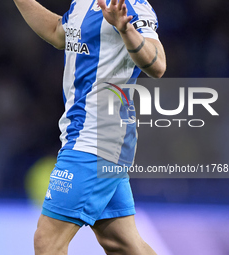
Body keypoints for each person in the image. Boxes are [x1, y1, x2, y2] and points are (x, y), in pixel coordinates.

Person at [13, 0, 166, 254]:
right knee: (122, 244)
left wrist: (124, 29)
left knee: (47, 240)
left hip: (97, 140)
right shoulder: (81, 4)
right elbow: (56, 32)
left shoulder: (133, 6)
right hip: (87, 138)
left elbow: (158, 64)